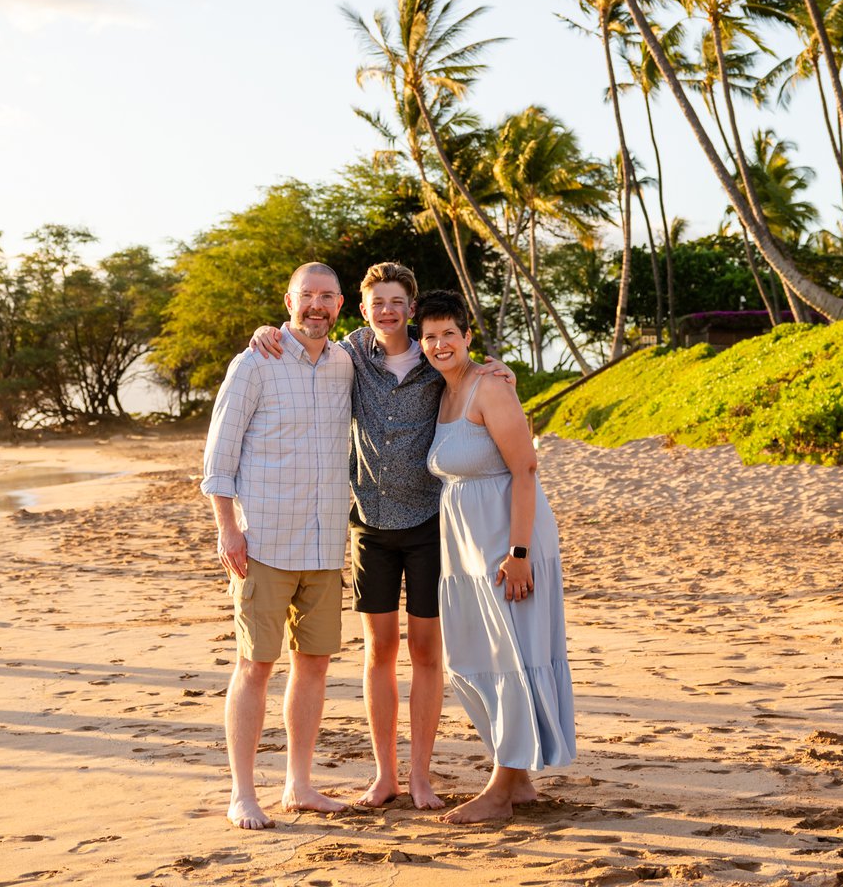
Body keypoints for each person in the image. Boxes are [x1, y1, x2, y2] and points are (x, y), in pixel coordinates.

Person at [250, 262, 513, 809]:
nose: (387, 311)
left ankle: (420, 775)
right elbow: (303, 333)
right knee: (378, 652)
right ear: (362, 309)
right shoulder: (350, 354)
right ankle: (384, 775)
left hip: (426, 525)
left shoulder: (434, 360)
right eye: (377, 303)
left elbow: (472, 376)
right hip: (367, 525)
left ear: (411, 310)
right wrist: (268, 331)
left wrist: (499, 369)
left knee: (423, 651)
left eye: (397, 302)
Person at [200, 262, 355, 830]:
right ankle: (242, 792)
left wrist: (493, 371)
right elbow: (219, 459)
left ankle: (299, 785)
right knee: (254, 665)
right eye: (307, 295)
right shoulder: (253, 363)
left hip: (323, 544)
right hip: (261, 540)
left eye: (327, 297)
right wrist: (227, 527)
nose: (317, 305)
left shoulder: (347, 362)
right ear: (289, 300)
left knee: (312, 666)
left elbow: (412, 354)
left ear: (341, 304)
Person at [417, 288, 575, 824]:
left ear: (467, 337)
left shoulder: (491, 388)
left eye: (450, 335)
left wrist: (520, 553)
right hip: (464, 549)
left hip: (508, 542)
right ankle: (521, 780)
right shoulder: (443, 393)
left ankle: (501, 790)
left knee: (514, 656)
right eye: (430, 336)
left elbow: (526, 470)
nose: (440, 344)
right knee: (479, 658)